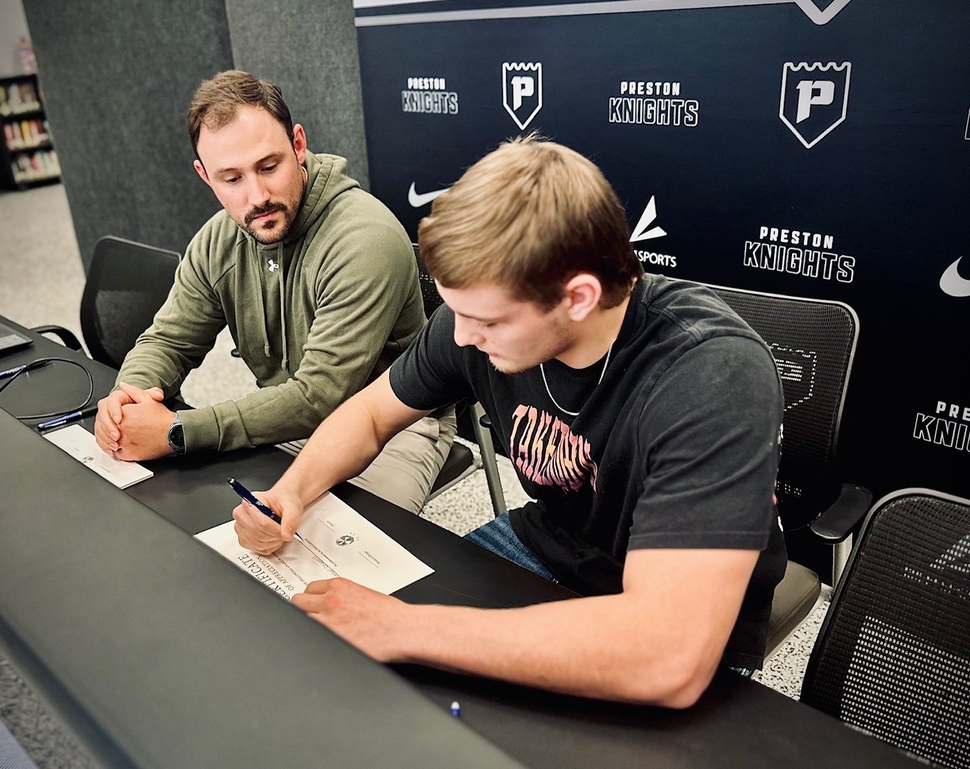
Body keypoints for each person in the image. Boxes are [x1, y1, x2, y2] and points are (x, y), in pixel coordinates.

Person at [232, 136, 786, 707]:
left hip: (671, 621)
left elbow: (669, 657)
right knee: (362, 691)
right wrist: (289, 493)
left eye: (487, 321)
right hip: (545, 547)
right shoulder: (473, 319)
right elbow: (372, 414)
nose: (465, 336)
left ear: (578, 297)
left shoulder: (712, 374)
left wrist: (404, 627)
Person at [94, 70, 454, 514]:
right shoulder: (217, 241)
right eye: (231, 179)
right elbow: (168, 341)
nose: (257, 195)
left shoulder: (364, 238)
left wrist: (179, 432)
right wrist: (129, 397)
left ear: (298, 144)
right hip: (279, 417)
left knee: (331, 564)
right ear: (205, 177)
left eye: (269, 167)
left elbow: (319, 395)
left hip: (392, 426)